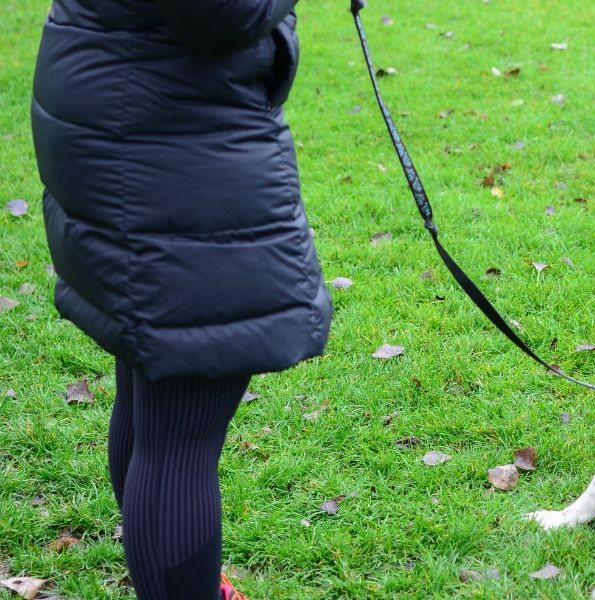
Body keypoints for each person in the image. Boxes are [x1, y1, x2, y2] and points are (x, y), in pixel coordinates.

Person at [31, 1, 331, 598]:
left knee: (154, 391)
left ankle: (179, 581)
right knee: (180, 424)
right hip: (164, 131)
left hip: (126, 106)